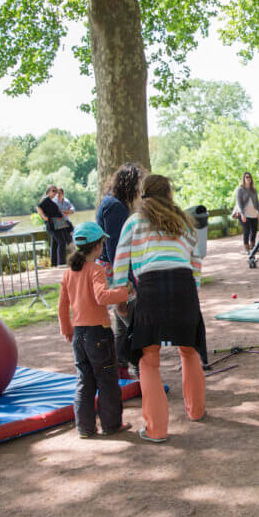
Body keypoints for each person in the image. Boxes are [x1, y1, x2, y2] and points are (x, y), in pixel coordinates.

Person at [110, 174, 208, 443]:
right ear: (169, 193)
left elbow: (120, 259)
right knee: (189, 351)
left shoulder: (134, 221)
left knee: (148, 360)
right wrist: (193, 291)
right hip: (184, 284)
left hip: (150, 287)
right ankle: (196, 411)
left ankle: (156, 430)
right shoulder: (184, 222)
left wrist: (121, 295)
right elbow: (196, 260)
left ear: (143, 194)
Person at [59, 222, 131, 438]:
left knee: (84, 382)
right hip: (98, 333)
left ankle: (85, 428)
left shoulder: (68, 273)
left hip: (79, 334)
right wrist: (124, 291)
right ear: (98, 246)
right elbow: (101, 297)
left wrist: (67, 330)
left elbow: (62, 306)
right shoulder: (96, 269)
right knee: (107, 381)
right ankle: (111, 425)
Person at [96, 162, 146, 378]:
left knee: (123, 324)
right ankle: (139, 366)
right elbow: (116, 247)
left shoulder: (111, 202)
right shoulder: (115, 207)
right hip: (117, 270)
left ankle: (120, 366)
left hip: (115, 268)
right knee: (132, 320)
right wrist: (123, 284)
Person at [37, 185, 71, 266]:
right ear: (48, 191)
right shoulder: (46, 199)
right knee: (62, 242)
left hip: (57, 223)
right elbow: (38, 207)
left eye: (56, 191)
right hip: (52, 224)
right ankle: (61, 263)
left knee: (55, 244)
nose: (55, 193)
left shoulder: (51, 201)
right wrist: (44, 217)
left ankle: (54, 264)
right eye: (53, 190)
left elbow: (58, 212)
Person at [232, 171, 259, 254]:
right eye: (247, 177)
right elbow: (239, 203)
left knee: (254, 230)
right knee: (247, 230)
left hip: (253, 213)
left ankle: (253, 246)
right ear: (244, 179)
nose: (248, 178)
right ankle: (246, 248)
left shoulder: (254, 190)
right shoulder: (240, 189)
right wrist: (242, 214)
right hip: (243, 213)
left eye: (250, 177)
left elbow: (257, 202)